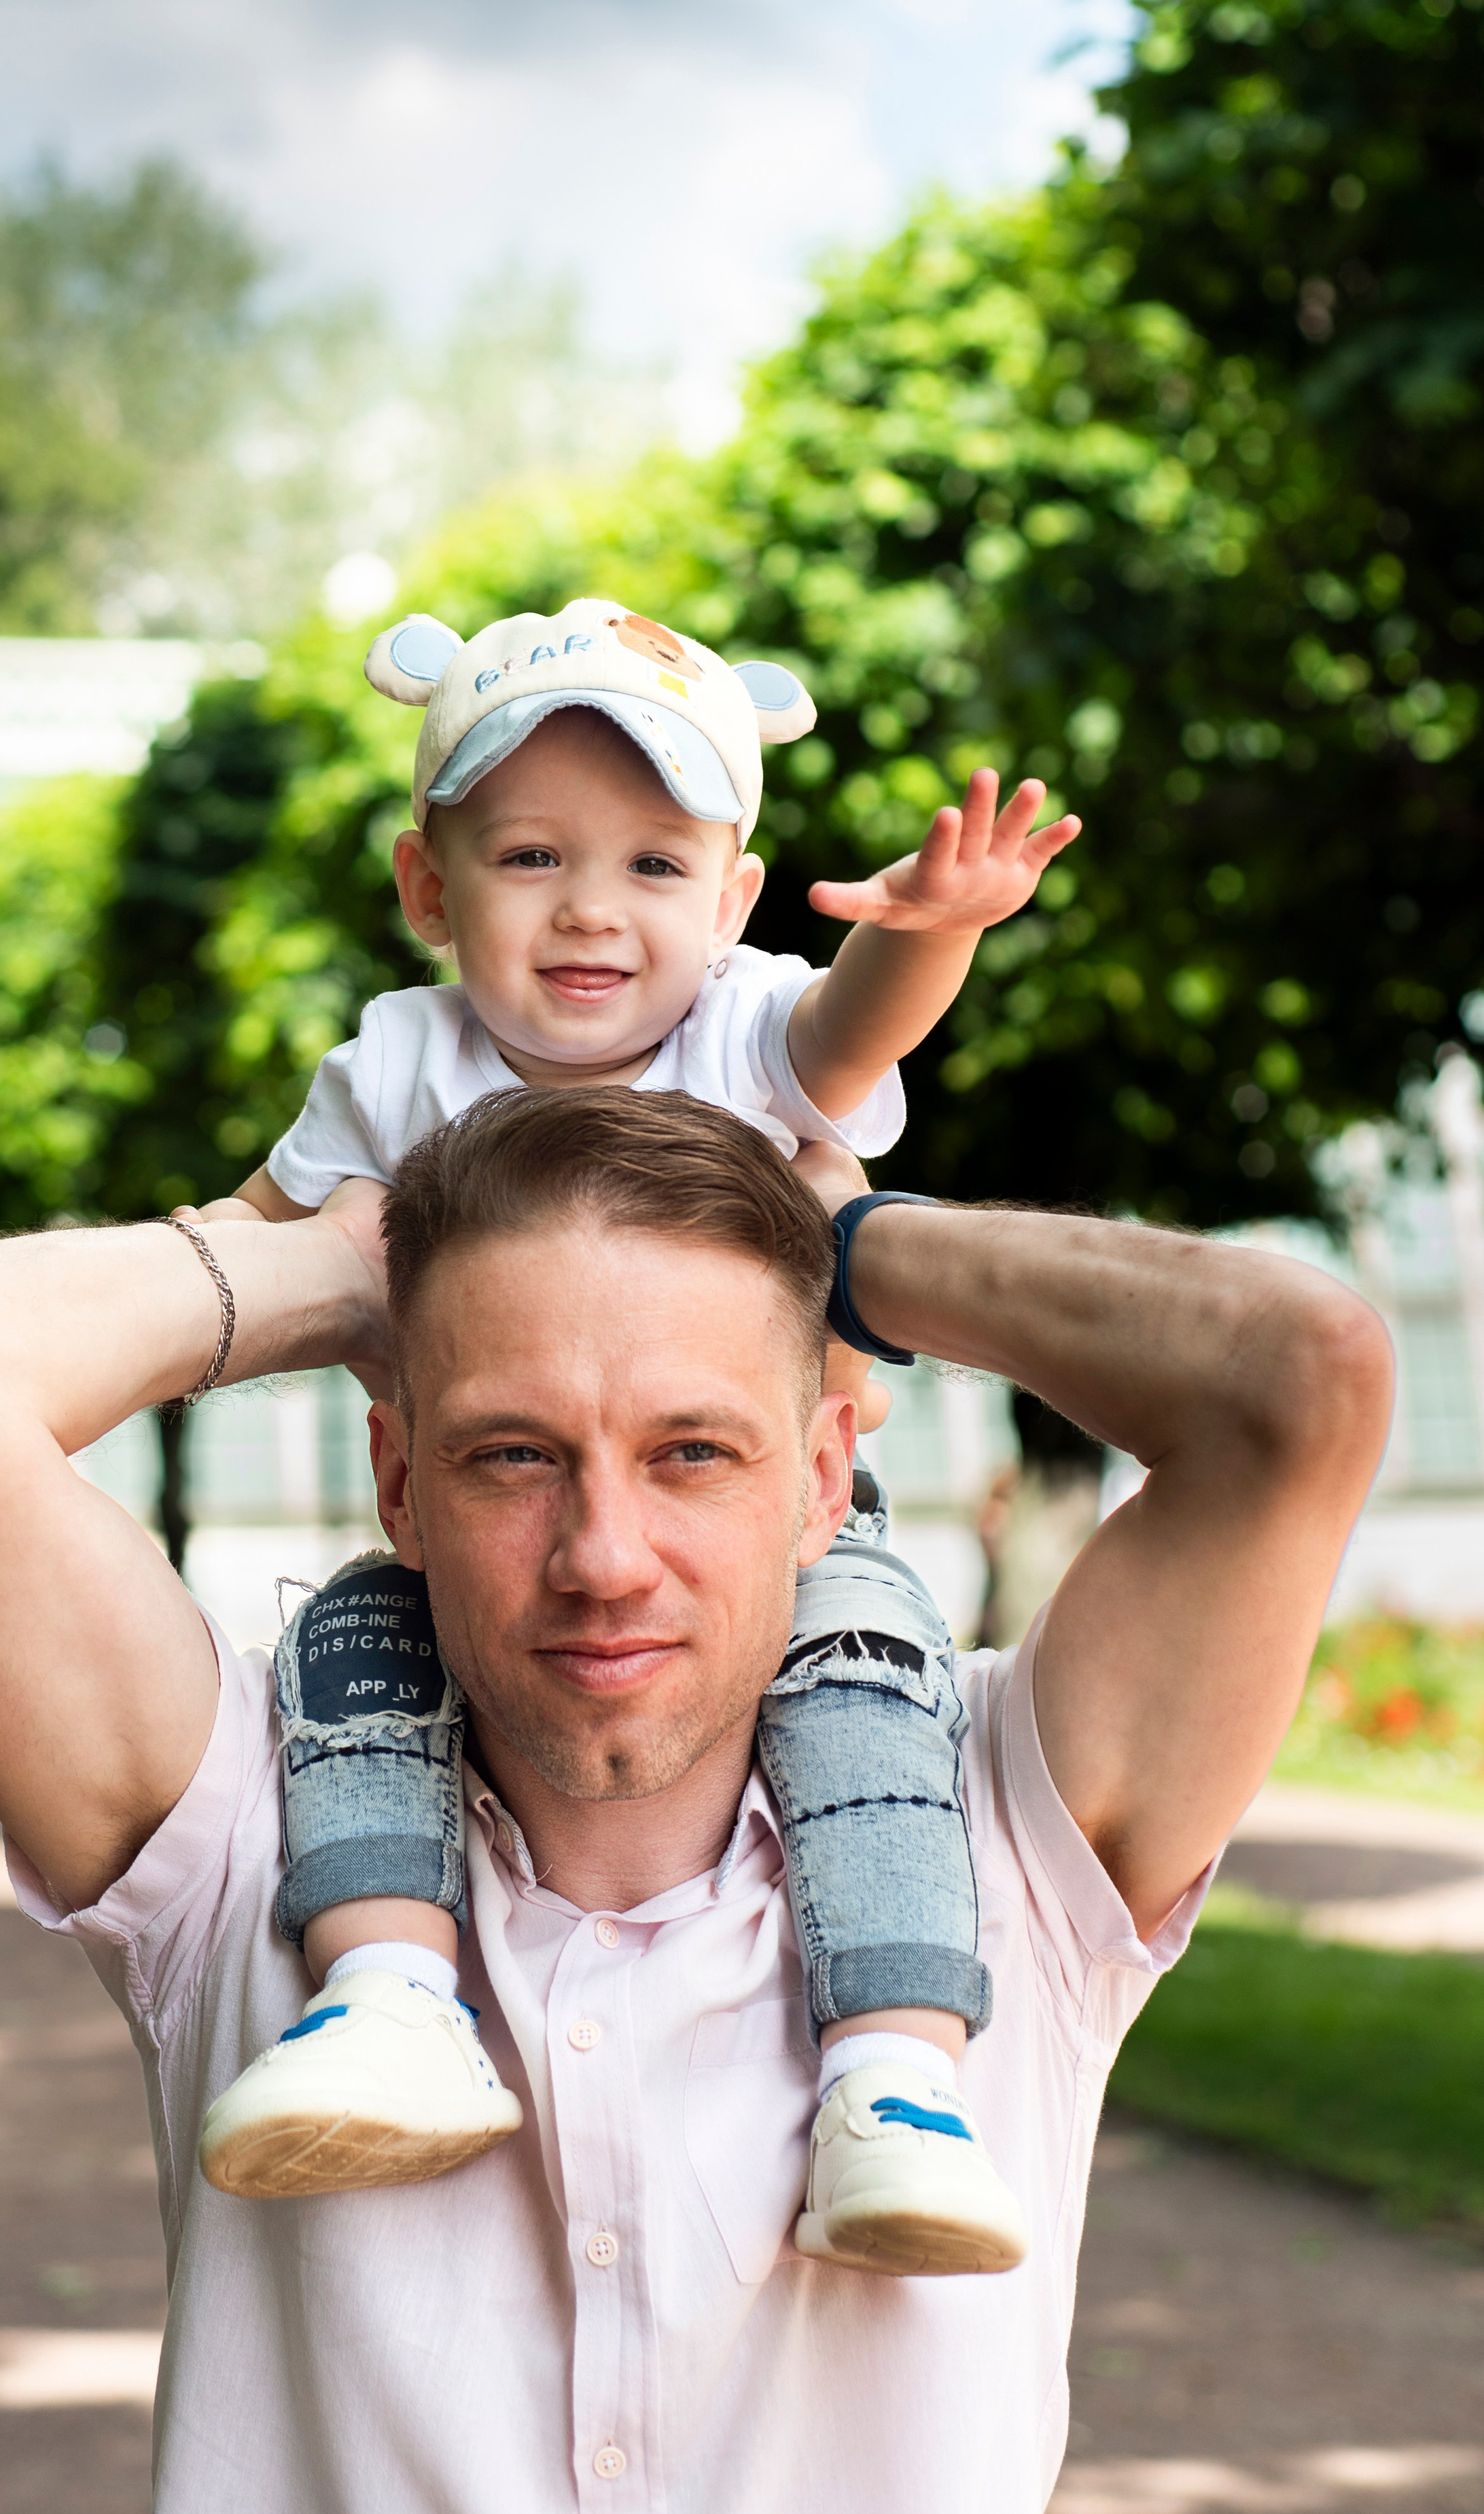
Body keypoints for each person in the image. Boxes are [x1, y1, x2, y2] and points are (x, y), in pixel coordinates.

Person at [0, 1088, 1391, 2514]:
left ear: (825, 1479)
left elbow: (1298, 1373)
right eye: (513, 1453)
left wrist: (857, 1252)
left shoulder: (990, 1829)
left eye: (692, 1450)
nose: (602, 1558)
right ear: (399, 1482)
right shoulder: (244, 1829)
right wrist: (340, 1271)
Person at [187, 597, 1082, 2272]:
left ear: (732, 900)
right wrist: (228, 1292)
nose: (593, 910)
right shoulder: (397, 1062)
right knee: (353, 1672)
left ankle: (894, 2077)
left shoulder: (740, 1029)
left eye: (656, 869)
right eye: (530, 857)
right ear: (426, 887)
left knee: (871, 1714)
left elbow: (852, 1034)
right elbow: (236, 1245)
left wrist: (930, 932)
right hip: (460, 1527)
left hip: (768, 1524)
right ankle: (389, 1994)